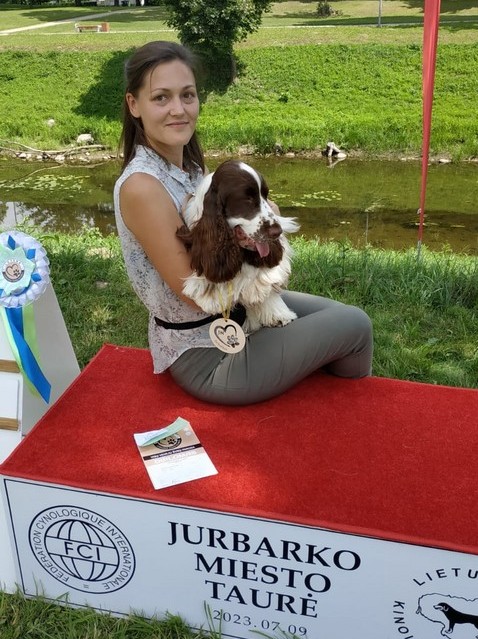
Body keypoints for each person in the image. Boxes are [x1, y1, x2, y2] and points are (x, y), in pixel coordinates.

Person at [114, 40, 373, 406]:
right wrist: (266, 247)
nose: (179, 109)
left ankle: (336, 411)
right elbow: (196, 295)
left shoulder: (189, 169)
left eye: (188, 95)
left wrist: (258, 226)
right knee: (355, 327)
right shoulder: (142, 186)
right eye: (161, 98)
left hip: (242, 317)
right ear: (134, 104)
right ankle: (352, 414)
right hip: (208, 355)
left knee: (344, 318)